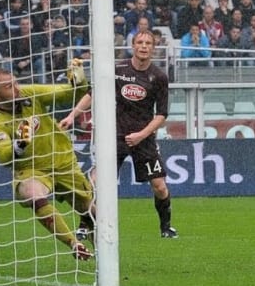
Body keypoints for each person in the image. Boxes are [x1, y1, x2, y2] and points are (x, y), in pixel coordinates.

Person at [60, 31, 178, 238]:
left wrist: (142, 135)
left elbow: (161, 115)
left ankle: (166, 227)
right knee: (95, 183)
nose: (143, 46)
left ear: (153, 48)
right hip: (114, 135)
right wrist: (71, 117)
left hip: (144, 138)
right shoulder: (117, 69)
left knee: (159, 186)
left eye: (148, 43)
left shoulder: (158, 77)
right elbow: (92, 93)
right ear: (133, 46)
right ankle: (85, 225)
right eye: (139, 42)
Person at [0, 62, 95, 260]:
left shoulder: (29, 93)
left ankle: (103, 259)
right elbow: (3, 156)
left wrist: (78, 79)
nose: (17, 88)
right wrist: (19, 144)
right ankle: (73, 243)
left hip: (62, 162)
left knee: (93, 212)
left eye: (15, 83)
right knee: (31, 193)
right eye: (9, 86)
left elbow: (67, 93)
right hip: (31, 169)